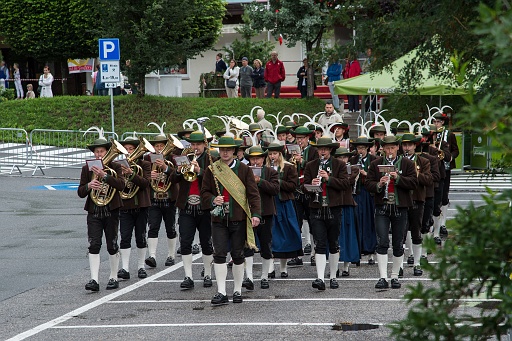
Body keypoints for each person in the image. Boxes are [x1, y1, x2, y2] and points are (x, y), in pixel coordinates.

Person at [201, 136, 261, 305]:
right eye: (222, 149)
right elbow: (204, 193)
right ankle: (221, 292)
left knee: (238, 254)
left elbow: (253, 194)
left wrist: (256, 214)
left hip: (238, 219)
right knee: (219, 254)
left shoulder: (244, 170)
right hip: (218, 219)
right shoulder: (212, 169)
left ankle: (237, 290)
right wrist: (213, 199)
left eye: (228, 149)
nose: (225, 152)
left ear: (235, 151)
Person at [365, 135, 418, 289]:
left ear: (397, 148)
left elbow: (414, 183)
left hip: (400, 206)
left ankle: (395, 276)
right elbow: (368, 184)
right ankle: (383, 277)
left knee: (398, 243)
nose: (390, 151)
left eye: (392, 147)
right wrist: (379, 184)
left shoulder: (407, 163)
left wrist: (399, 178)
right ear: (383, 149)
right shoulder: (375, 164)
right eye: (387, 148)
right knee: (382, 242)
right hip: (382, 206)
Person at [77, 131, 125, 292]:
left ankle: (113, 276)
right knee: (94, 244)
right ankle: (94, 279)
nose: (99, 154)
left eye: (102, 151)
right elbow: (80, 192)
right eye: (97, 151)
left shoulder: (115, 167)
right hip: (94, 211)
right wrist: (89, 186)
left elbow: (121, 186)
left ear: (107, 151)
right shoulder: (87, 169)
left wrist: (105, 177)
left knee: (112, 244)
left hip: (111, 210)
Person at [303, 136, 351, 290]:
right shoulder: (311, 165)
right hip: (316, 208)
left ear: (330, 150)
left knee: (333, 243)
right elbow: (303, 187)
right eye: (320, 149)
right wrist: (312, 185)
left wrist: (329, 179)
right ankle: (320, 278)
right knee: (319, 243)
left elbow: (345, 184)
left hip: (333, 208)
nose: (322, 151)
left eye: (325, 149)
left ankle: (333, 276)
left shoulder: (339, 165)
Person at [170, 131, 215, 290]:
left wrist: (199, 171)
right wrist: (177, 171)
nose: (195, 148)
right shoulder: (185, 158)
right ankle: (188, 276)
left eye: (198, 145)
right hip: (186, 207)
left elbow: (215, 182)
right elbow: (173, 180)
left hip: (204, 207)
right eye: (193, 145)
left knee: (206, 242)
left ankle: (208, 274)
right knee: (186, 242)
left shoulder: (211, 159)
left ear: (204, 145)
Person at [242, 146, 279, 290]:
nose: (255, 161)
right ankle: (249, 277)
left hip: (266, 213)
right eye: (252, 158)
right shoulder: (244, 171)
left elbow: (276, 190)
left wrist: (260, 181)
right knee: (248, 245)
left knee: (265, 245)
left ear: (263, 159)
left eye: (258, 158)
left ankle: (264, 276)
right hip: (248, 213)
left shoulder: (270, 172)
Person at [266, 141, 303, 281]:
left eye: (274, 153)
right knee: (271, 235)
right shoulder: (266, 168)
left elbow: (294, 186)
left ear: (280, 154)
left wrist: (278, 182)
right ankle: (270, 267)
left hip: (284, 204)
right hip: (270, 203)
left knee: (285, 235)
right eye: (270, 154)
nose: (272, 156)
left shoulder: (288, 167)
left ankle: (283, 268)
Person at [117, 136, 152, 281]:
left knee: (140, 236)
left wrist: (131, 174)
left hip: (141, 206)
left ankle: (141, 266)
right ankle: (124, 268)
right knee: (125, 237)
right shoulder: (118, 165)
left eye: (131, 149)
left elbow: (145, 183)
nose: (129, 151)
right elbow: (118, 186)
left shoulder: (144, 165)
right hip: (125, 206)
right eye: (126, 149)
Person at [144, 131, 179, 268]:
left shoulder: (173, 158)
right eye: (157, 146)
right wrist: (150, 175)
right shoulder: (148, 158)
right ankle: (152, 255)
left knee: (170, 228)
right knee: (153, 227)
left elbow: (177, 175)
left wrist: (166, 168)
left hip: (169, 198)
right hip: (154, 198)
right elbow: (143, 176)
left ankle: (171, 255)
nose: (159, 148)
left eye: (162, 146)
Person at [400, 133, 432, 277]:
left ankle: (417, 263)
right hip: (401, 199)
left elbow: (429, 180)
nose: (407, 148)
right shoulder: (399, 161)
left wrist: (416, 173)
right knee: (399, 233)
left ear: (415, 146)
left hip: (417, 199)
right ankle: (399, 265)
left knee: (416, 231)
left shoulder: (423, 161)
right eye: (404, 145)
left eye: (409, 145)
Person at [287, 126, 318, 267]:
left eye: (302, 138)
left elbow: (316, 167)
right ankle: (296, 255)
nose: (299, 141)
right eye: (297, 138)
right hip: (296, 192)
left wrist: (302, 162)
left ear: (307, 138)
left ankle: (314, 253)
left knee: (313, 223)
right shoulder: (290, 151)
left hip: (309, 192)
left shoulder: (314, 151)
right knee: (296, 223)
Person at [350, 136, 377, 265]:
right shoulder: (353, 160)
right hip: (357, 193)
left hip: (369, 194)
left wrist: (366, 174)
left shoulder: (374, 160)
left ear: (367, 148)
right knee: (356, 221)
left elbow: (377, 177)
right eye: (358, 148)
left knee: (369, 221)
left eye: (362, 148)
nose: (360, 150)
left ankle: (370, 251)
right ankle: (358, 250)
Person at [334, 147, 360, 276]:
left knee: (348, 236)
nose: (342, 160)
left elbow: (346, 182)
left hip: (348, 205)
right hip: (335, 205)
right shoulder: (332, 169)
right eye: (339, 157)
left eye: (344, 157)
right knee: (335, 237)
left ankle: (346, 266)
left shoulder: (353, 169)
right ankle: (335, 267)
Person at [433, 112, 459, 237]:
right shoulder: (432, 134)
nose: (436, 124)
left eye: (438, 122)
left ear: (442, 122)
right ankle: (434, 224)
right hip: (434, 169)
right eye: (434, 122)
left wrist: (450, 157)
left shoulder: (449, 134)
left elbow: (456, 150)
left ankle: (443, 224)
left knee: (444, 196)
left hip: (445, 168)